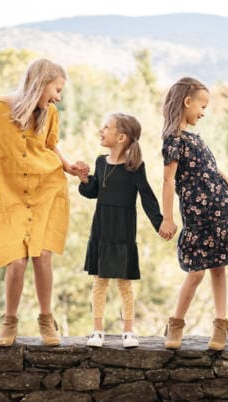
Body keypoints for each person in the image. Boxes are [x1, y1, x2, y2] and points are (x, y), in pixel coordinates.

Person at [0, 58, 87, 347]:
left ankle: (47, 320)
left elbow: (50, 145)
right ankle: (9, 321)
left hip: (46, 186)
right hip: (9, 193)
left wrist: (69, 166)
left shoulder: (50, 113)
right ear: (42, 82)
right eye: (56, 89)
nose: (58, 97)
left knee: (42, 256)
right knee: (17, 261)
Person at [158, 77, 228, 351]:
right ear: (187, 102)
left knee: (219, 267)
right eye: (202, 106)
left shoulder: (197, 139)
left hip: (221, 209)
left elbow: (216, 173)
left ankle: (220, 324)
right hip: (197, 215)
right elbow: (168, 181)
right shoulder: (174, 140)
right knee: (196, 272)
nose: (203, 112)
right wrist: (167, 218)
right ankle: (176, 323)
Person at [77, 113, 163, 349]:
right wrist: (84, 179)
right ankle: (97, 331)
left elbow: (147, 197)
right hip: (102, 228)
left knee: (124, 283)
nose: (100, 130)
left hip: (124, 230)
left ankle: (128, 331)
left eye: (106, 127)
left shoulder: (135, 167)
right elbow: (94, 191)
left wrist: (160, 223)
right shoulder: (100, 162)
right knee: (100, 281)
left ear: (121, 137)